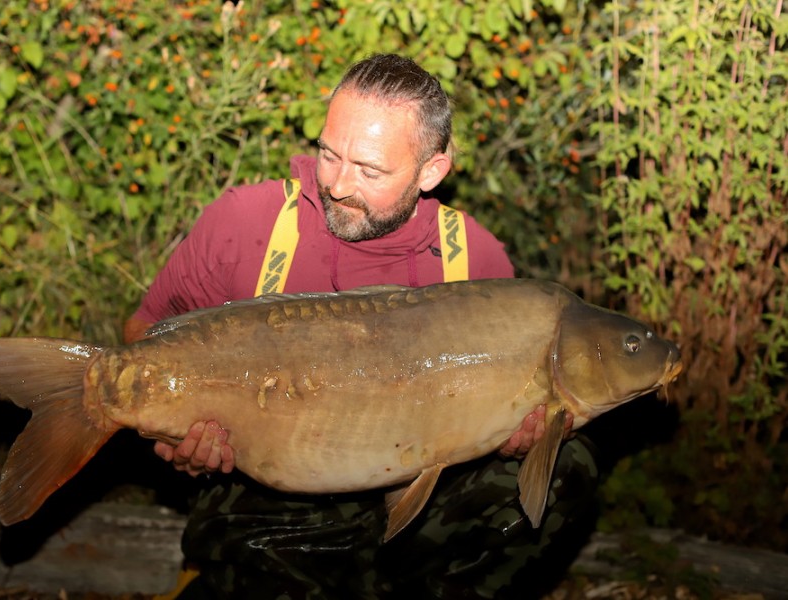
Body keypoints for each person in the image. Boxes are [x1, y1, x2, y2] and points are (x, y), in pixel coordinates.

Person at [125, 53, 597, 599]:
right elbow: (144, 333)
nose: (339, 185)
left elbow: (501, 415)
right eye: (329, 154)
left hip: (424, 495)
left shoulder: (476, 261)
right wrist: (177, 432)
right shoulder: (245, 223)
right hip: (271, 491)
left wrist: (521, 439)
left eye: (370, 171)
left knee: (571, 468)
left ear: (431, 172)